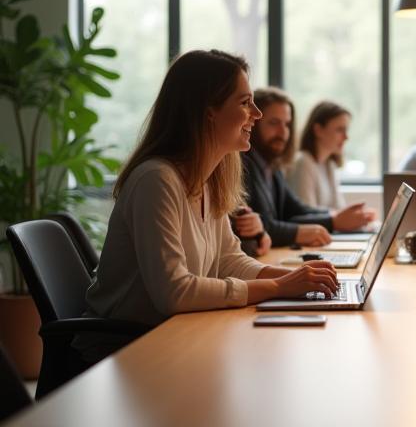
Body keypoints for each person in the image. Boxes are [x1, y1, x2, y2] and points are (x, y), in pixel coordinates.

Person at [82, 50, 338, 346]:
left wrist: (298, 279)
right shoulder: (156, 180)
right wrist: (278, 286)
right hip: (126, 350)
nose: (257, 113)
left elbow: (230, 261)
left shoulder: (208, 180)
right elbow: (174, 293)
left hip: (174, 336)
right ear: (207, 111)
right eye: (245, 103)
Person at [243, 87, 370, 252]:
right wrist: (334, 221)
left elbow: (295, 209)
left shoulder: (272, 165)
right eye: (274, 123)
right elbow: (265, 225)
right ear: (252, 121)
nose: (283, 132)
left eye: (287, 124)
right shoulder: (245, 165)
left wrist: (336, 217)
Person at [288, 101, 360, 213]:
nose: (346, 137)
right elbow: (308, 212)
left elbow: (339, 208)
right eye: (340, 130)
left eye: (346, 130)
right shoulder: (303, 162)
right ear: (318, 130)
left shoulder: (329, 165)